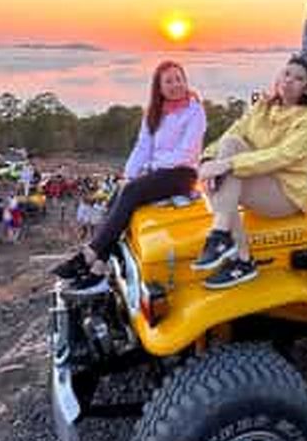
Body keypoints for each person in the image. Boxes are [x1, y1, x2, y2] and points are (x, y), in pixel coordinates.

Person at [54, 61, 206, 290]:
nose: (176, 85)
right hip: (157, 172)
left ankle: (90, 253)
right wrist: (129, 174)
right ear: (159, 87)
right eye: (169, 81)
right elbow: (142, 147)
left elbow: (188, 151)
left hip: (181, 173)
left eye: (179, 79)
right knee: (121, 192)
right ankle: (98, 269)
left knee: (133, 191)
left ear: (185, 81)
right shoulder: (154, 113)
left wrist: (152, 167)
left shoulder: (195, 110)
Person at [193, 56, 307, 289]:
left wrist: (228, 165)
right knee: (231, 145)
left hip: (286, 193)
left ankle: (226, 242)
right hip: (259, 176)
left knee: (230, 171)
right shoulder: (264, 106)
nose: (289, 81)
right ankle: (236, 252)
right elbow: (234, 132)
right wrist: (208, 159)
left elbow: (282, 156)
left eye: (299, 79)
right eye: (287, 74)